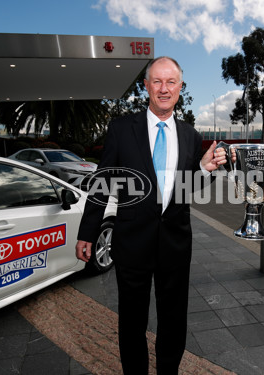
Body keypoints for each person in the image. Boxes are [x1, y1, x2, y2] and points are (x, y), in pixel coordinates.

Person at [75, 56, 228, 374]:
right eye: (157, 81)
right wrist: (87, 232)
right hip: (131, 243)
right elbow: (103, 183)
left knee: (174, 320)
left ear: (180, 88)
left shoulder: (190, 135)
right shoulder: (121, 129)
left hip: (175, 244)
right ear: (146, 86)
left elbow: (186, 191)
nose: (164, 88)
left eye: (171, 82)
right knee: (132, 322)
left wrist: (204, 168)